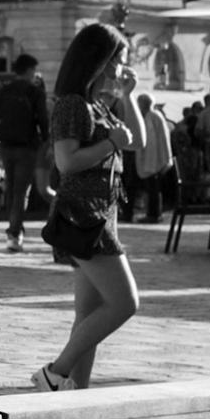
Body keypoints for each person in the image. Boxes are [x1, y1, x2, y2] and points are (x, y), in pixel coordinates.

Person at [33, 23, 142, 391]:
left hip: (100, 214)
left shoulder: (99, 105)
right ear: (98, 61)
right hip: (83, 216)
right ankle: (56, 372)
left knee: (90, 312)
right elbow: (67, 162)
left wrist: (127, 96)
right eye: (117, 62)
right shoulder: (72, 104)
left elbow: (137, 142)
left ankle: (77, 389)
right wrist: (109, 144)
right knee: (125, 303)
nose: (120, 70)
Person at [0, 52, 48, 252]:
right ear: (30, 70)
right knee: (21, 191)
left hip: (6, 145)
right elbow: (43, 120)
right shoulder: (35, 92)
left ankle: (14, 228)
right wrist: (45, 141)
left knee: (12, 188)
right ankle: (15, 233)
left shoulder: (2, 91)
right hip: (27, 146)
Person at [129, 92, 173, 223]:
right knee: (150, 187)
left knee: (153, 188)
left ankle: (154, 215)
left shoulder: (153, 117)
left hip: (154, 159)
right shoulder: (148, 116)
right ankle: (149, 213)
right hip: (148, 158)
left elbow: (154, 141)